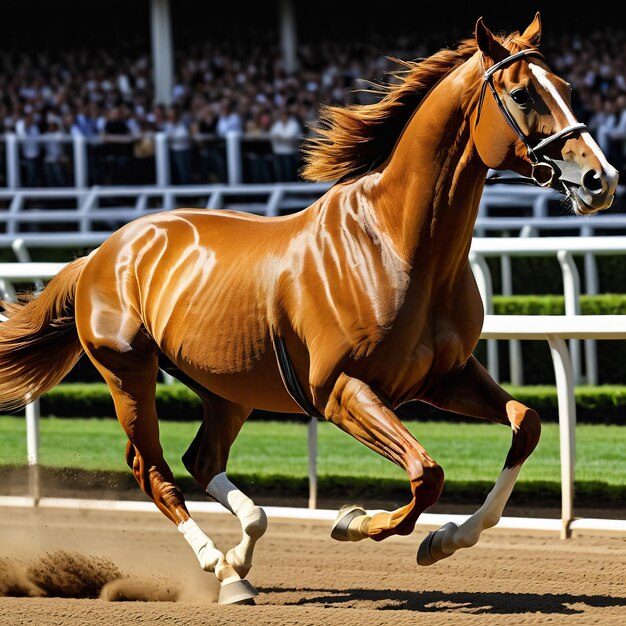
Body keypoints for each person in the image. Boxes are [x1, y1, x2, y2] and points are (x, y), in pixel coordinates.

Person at [269, 106, 302, 182]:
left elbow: (290, 137)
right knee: (280, 175)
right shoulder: (277, 124)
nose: (283, 117)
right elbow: (272, 135)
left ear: (287, 115)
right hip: (278, 153)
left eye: (284, 115)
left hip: (289, 153)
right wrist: (282, 137)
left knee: (289, 174)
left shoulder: (294, 124)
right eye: (281, 115)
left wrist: (280, 137)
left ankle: (291, 192)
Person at [163, 105, 193, 185]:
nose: (170, 118)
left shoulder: (184, 124)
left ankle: (187, 195)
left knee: (184, 174)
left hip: (183, 152)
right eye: (169, 116)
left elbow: (188, 136)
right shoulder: (167, 125)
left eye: (172, 116)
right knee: (174, 175)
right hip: (172, 152)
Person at [14, 107, 41, 187]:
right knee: (25, 175)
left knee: (33, 174)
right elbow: (21, 137)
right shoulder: (19, 124)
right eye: (27, 116)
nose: (29, 118)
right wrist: (26, 128)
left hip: (34, 154)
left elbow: (37, 140)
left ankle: (32, 192)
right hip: (22, 154)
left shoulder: (35, 127)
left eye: (30, 116)